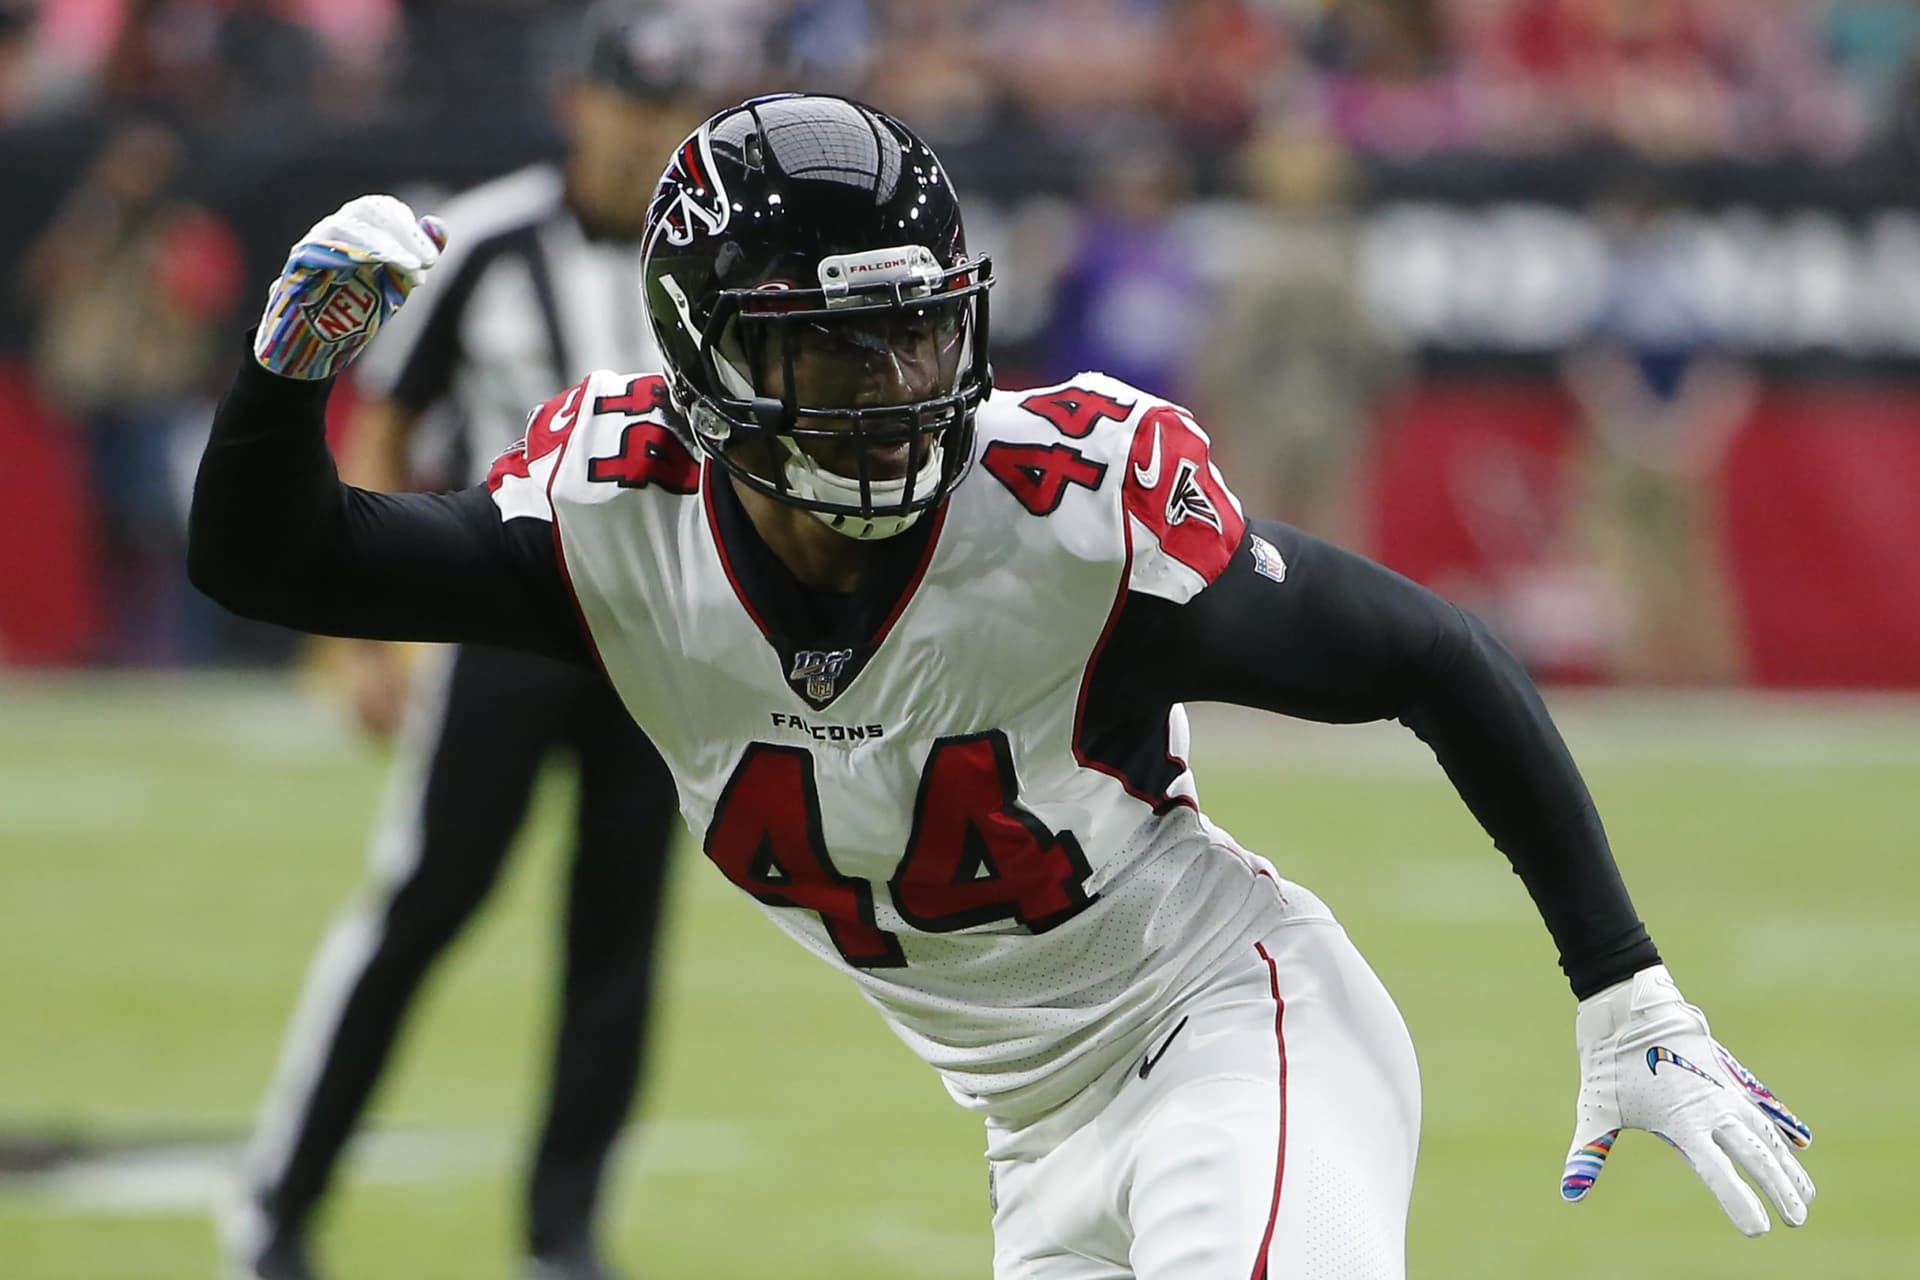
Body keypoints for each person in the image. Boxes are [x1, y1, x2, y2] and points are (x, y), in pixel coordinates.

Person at [191, 94, 1816, 1278]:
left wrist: (1624, 985)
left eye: (918, 333)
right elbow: (277, 561)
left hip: (1224, 1037)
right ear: (712, 363)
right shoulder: (620, 529)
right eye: (838, 349)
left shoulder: (1061, 519)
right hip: (1032, 1147)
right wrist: (287, 376)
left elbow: (1429, 655)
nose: (898, 387)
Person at [217, 6, 707, 1279]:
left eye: (669, 111)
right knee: (424, 904)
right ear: (579, 104)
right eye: (630, 104)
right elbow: (386, 418)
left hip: (658, 642)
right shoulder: (488, 238)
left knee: (619, 936)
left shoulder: (709, 259)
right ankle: (278, 1203)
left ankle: (563, 1234)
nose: (645, 133)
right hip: (505, 620)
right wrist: (365, 637)